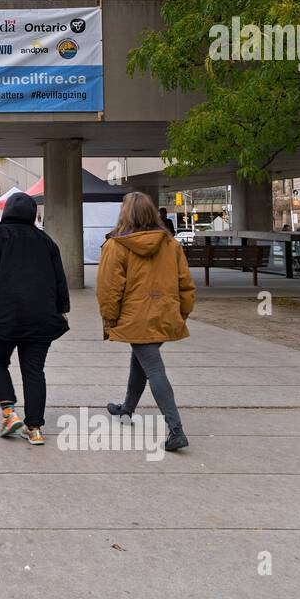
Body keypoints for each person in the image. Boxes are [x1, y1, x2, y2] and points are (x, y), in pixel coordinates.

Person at [97, 191, 195, 452]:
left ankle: (176, 430)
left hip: (135, 316)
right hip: (165, 313)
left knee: (153, 368)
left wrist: (109, 319)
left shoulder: (116, 245)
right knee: (141, 359)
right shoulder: (171, 244)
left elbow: (109, 288)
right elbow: (185, 283)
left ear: (125, 214)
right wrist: (182, 312)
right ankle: (127, 408)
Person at [0, 192, 70, 446]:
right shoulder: (46, 242)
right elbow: (59, 280)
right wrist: (62, 309)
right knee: (34, 371)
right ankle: (34, 428)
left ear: (6, 213)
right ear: (32, 215)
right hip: (41, 318)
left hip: (4, 317)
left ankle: (8, 412)